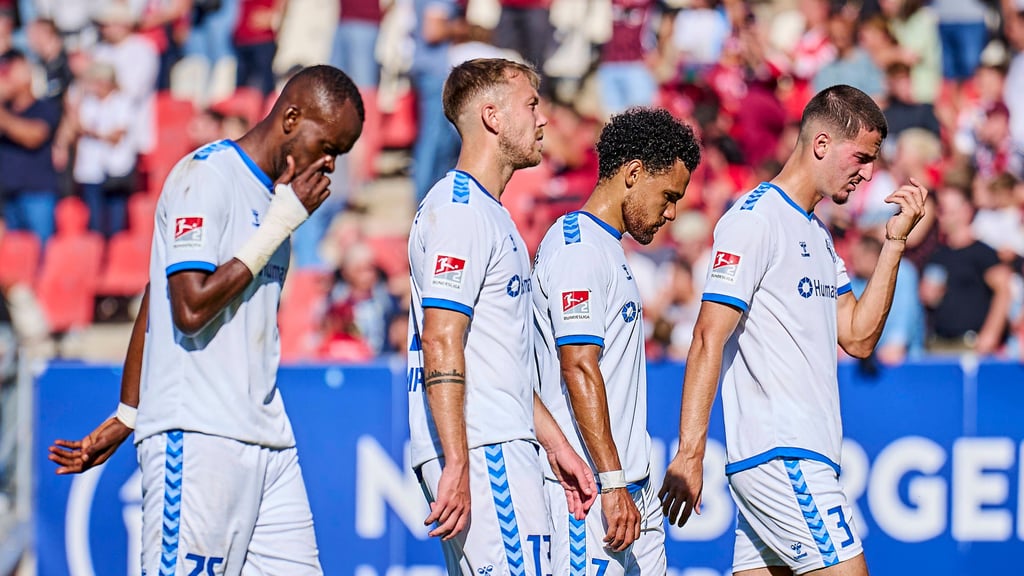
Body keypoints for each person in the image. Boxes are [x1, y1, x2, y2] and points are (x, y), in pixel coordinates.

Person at [48, 64, 364, 575]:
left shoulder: (276, 202)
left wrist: (128, 413)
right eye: (327, 146)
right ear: (290, 118)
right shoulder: (207, 176)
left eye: (339, 154)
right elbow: (187, 307)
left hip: (268, 440)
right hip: (198, 436)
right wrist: (280, 225)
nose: (329, 163)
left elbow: (153, 297)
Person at [659, 84, 928, 576]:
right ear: (821, 144)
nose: (869, 173)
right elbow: (707, 336)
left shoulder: (816, 232)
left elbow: (858, 336)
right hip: (783, 453)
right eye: (862, 157)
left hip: (794, 455)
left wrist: (894, 244)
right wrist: (690, 453)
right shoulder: (755, 219)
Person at [406, 58, 595, 574]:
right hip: (484, 444)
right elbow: (440, 338)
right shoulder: (461, 211)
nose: (543, 119)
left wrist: (555, 445)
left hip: (497, 439)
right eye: (531, 104)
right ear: (492, 116)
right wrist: (458, 459)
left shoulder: (489, 213)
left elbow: (498, 359)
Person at [532, 107, 700, 573]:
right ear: (633, 173)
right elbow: (578, 365)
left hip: (630, 485)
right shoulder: (579, 249)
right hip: (590, 492)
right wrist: (611, 481)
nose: (671, 213)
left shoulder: (605, 246)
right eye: (668, 196)